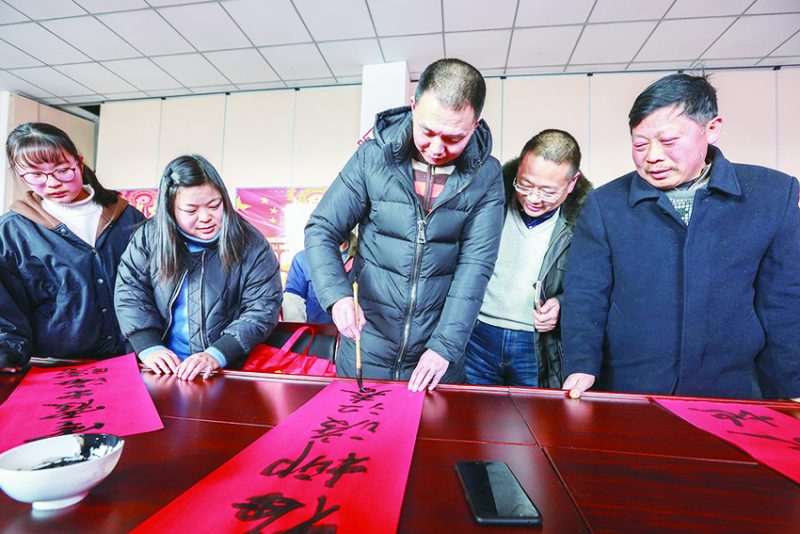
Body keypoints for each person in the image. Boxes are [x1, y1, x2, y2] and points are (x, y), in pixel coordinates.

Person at [561, 73, 800, 400]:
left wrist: (792, 385)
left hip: (732, 388)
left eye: (669, 141)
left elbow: (783, 301)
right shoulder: (605, 205)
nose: (652, 156)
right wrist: (581, 366)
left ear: (711, 128)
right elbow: (586, 296)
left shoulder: (771, 195)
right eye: (640, 144)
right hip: (632, 386)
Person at [304, 58, 504, 391]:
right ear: (413, 107)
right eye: (427, 131)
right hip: (365, 346)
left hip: (436, 357)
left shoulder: (487, 175)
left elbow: (476, 266)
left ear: (475, 125)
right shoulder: (373, 157)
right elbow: (322, 228)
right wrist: (337, 295)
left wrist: (445, 347)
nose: (436, 149)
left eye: (453, 138)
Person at [114, 155, 282, 381]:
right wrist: (148, 346)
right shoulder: (149, 237)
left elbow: (262, 307)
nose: (205, 218)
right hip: (159, 369)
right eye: (191, 211)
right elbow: (130, 292)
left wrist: (218, 353)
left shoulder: (250, 243)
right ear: (170, 210)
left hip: (225, 370)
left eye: (214, 206)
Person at [0, 122, 145, 370]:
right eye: (36, 175)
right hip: (57, 364)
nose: (53, 183)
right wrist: (8, 356)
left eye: (62, 170)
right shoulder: (12, 231)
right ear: (19, 173)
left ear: (80, 162)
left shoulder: (127, 217)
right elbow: (6, 309)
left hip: (133, 358)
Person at [465, 129, 591, 388]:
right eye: (525, 184)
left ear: (572, 183)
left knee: (532, 413)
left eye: (548, 191)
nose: (533, 198)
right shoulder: (490, 198)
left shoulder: (587, 221)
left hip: (535, 346)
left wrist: (561, 305)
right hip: (477, 336)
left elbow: (594, 289)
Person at [282, 232, 357, 324]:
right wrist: (300, 331)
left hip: (357, 331)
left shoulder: (363, 259)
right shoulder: (303, 259)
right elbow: (293, 300)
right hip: (317, 331)